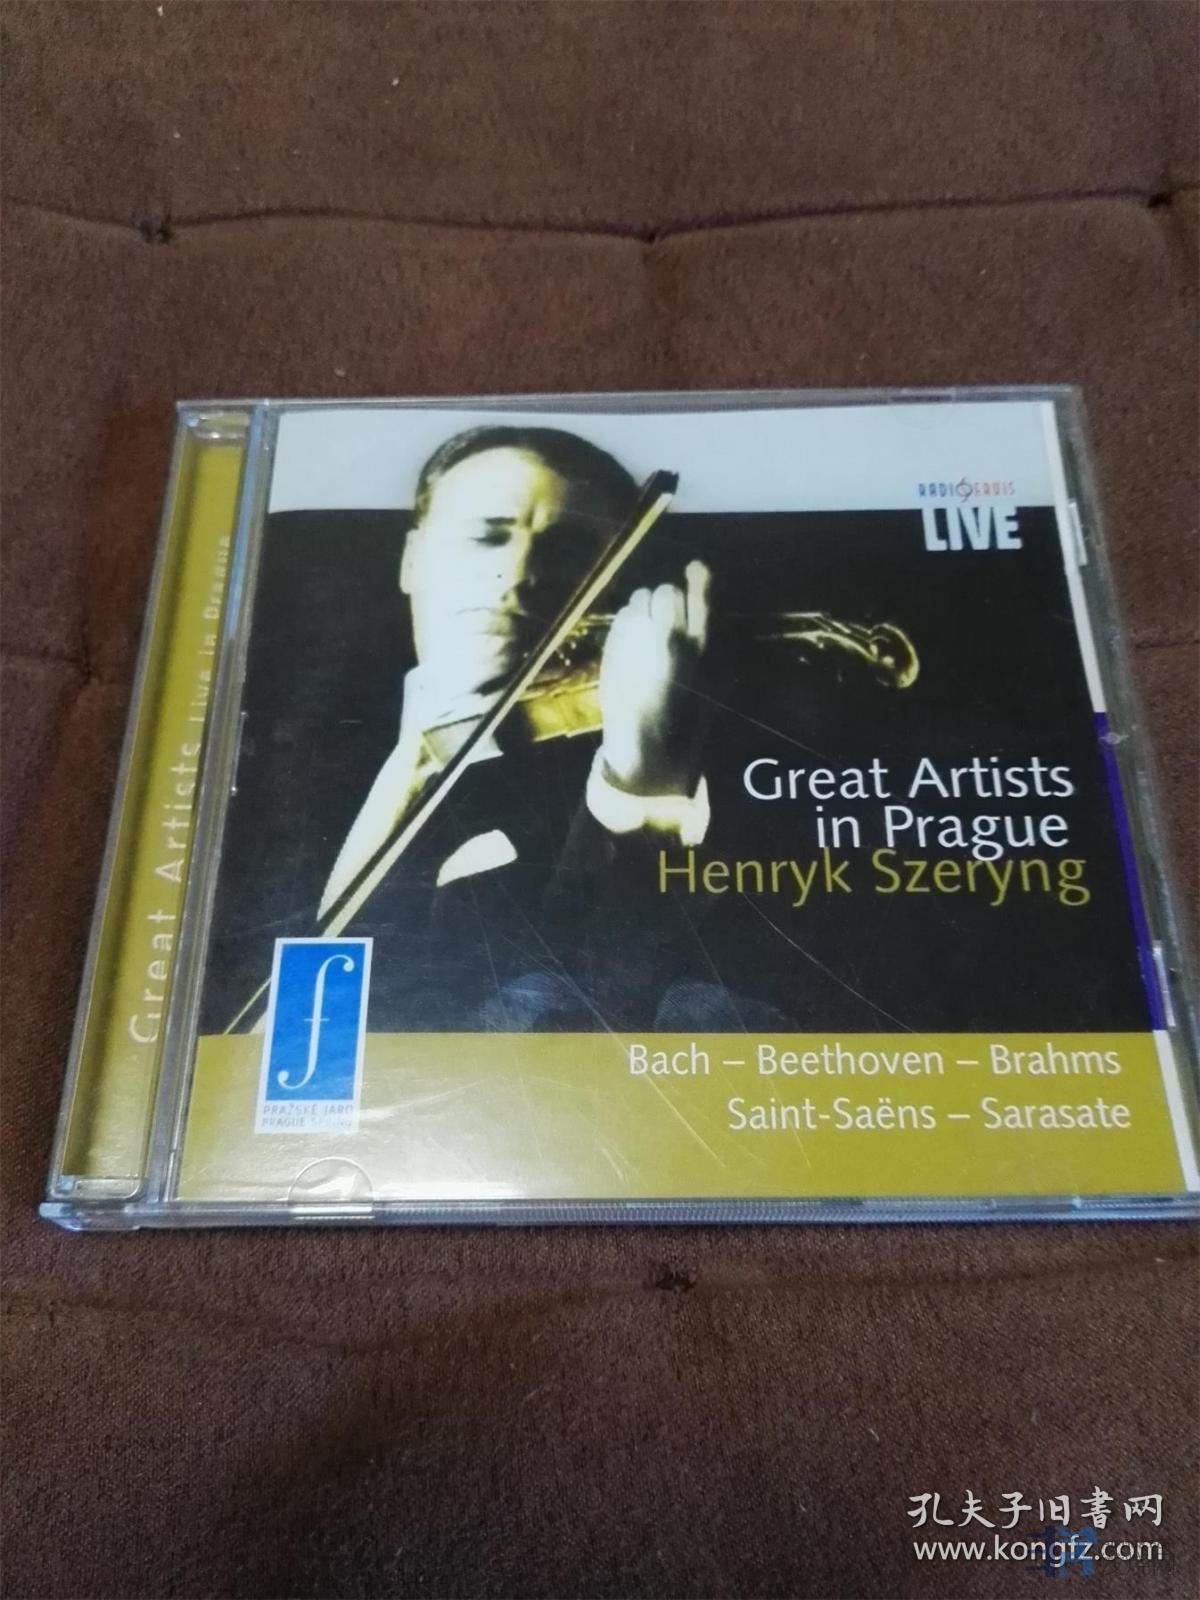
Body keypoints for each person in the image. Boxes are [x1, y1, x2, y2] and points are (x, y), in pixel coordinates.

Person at [319, 425, 718, 1031]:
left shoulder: (644, 747)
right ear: (413, 560)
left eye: (566, 550)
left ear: (609, 583)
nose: (519, 571)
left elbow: (620, 985)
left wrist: (639, 774)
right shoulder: (304, 747)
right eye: (487, 536)